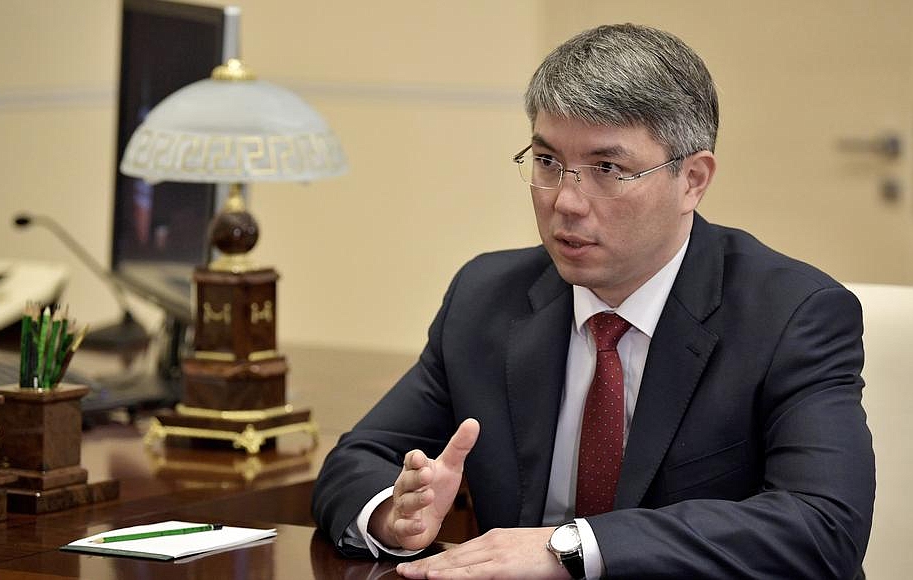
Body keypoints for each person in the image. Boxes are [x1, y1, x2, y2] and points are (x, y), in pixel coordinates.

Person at [312, 23, 875, 579]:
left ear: (693, 180)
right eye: (547, 162)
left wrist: (572, 548)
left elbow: (823, 527)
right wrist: (393, 513)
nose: (566, 202)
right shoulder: (487, 297)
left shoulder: (792, 315)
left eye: (607, 169)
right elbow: (358, 459)